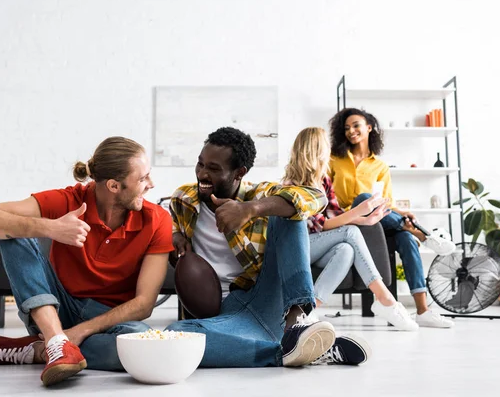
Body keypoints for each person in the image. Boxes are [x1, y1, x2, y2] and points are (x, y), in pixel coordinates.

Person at [0, 137, 173, 386]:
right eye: (142, 179)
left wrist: (80, 331)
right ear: (114, 186)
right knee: (13, 233)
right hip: (55, 308)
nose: (151, 184)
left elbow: (143, 304)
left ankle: (45, 349)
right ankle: (56, 340)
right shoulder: (68, 200)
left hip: (107, 318)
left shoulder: (157, 219)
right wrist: (51, 228)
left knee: (142, 342)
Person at [166, 127, 370, 368]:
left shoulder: (259, 193)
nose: (202, 174)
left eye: (213, 169)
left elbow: (316, 198)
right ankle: (297, 351)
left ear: (238, 173)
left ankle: (297, 324)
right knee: (175, 335)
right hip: (226, 314)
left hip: (265, 297)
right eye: (200, 164)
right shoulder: (183, 199)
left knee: (290, 210)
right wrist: (174, 235)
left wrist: (250, 209)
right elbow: (167, 226)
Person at [328, 108, 456, 328]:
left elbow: (386, 202)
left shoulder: (379, 166)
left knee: (406, 240)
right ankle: (423, 234)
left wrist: (401, 213)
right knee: (364, 198)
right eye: (347, 128)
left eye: (356, 125)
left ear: (369, 127)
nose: (351, 131)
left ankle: (423, 310)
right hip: (348, 220)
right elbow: (327, 197)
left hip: (376, 221)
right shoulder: (333, 160)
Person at [282, 127, 418, 333]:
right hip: (297, 248)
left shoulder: (324, 181)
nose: (329, 152)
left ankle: (308, 310)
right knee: (350, 233)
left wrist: (366, 219)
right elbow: (321, 224)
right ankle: (384, 299)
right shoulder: (291, 184)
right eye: (325, 147)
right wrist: (359, 211)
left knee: (346, 249)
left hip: (318, 245)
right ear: (315, 150)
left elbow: (334, 216)